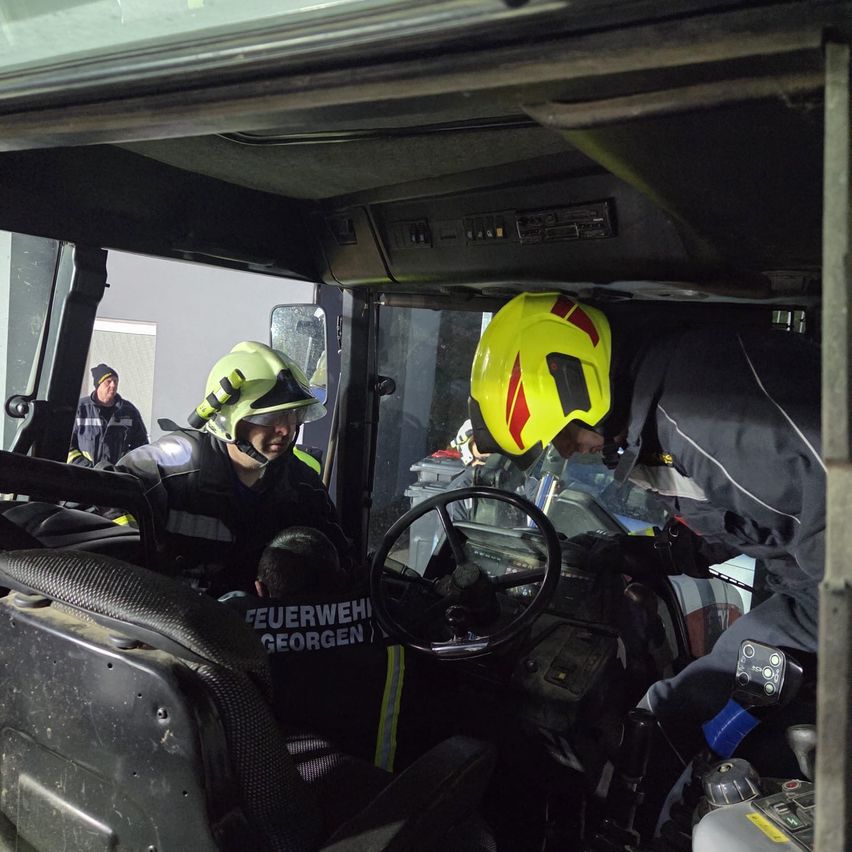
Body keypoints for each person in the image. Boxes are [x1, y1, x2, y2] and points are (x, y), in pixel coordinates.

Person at [469, 291, 824, 755]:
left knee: (684, 717)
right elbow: (754, 512)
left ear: (579, 385)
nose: (565, 451)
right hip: (811, 586)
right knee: (675, 712)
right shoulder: (655, 424)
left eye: (560, 434)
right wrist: (661, 552)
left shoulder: (700, 415)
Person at [112, 341, 354, 596]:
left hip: (257, 620)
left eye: (293, 413)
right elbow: (104, 504)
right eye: (269, 416)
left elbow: (342, 562)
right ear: (228, 419)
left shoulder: (302, 486)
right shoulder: (167, 469)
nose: (286, 429)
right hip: (172, 616)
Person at [221, 525, 435, 772]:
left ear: (260, 589)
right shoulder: (390, 620)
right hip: (379, 786)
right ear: (340, 579)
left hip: (269, 785)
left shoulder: (230, 625)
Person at [67, 362, 148, 467]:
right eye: (108, 382)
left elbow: (141, 446)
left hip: (115, 475)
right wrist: (87, 468)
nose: (113, 385)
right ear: (98, 385)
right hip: (84, 473)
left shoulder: (129, 411)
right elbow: (67, 446)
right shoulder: (80, 409)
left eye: (115, 381)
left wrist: (124, 468)